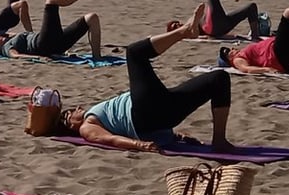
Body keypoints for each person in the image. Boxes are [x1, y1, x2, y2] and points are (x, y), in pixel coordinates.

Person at [69, 19, 234, 151]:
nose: (77, 108)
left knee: (219, 78)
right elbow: (108, 139)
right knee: (134, 53)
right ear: (70, 124)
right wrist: (139, 145)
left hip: (161, 113)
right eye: (70, 113)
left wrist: (176, 137)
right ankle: (182, 32)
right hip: (142, 115)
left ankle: (219, 140)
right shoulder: (86, 126)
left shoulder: (93, 117)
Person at [0, 0, 104, 60]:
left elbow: (4, 36)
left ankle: (97, 57)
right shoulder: (6, 47)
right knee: (51, 0)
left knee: (92, 18)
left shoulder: (11, 38)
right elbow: (16, 55)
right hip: (43, 45)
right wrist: (39, 58)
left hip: (57, 45)